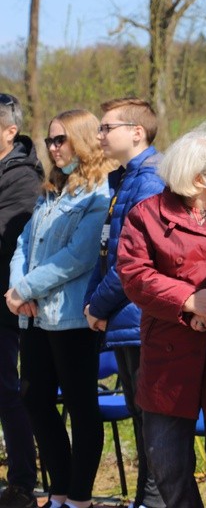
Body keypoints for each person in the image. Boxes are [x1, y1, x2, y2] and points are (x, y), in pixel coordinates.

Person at [116, 122, 206, 508]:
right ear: (198, 180)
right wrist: (187, 300)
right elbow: (134, 274)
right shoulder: (147, 215)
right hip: (168, 354)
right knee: (166, 463)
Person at [6, 109, 113, 508]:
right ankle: (60, 491)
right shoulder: (52, 188)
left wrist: (26, 288)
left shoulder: (98, 191)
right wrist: (20, 289)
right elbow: (23, 243)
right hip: (34, 315)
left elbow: (79, 256)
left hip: (71, 318)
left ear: (83, 140)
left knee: (82, 407)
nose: (53, 148)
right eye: (50, 140)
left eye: (61, 140)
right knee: (33, 399)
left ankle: (79, 498)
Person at [83, 97, 165, 508]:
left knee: (152, 422)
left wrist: (97, 307)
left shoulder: (150, 181)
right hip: (125, 316)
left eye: (106, 127)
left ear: (137, 132)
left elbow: (132, 261)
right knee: (142, 417)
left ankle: (155, 500)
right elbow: (106, 250)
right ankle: (145, 499)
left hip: (140, 317)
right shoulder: (127, 178)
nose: (99, 135)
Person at [0, 93, 43, 508]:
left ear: (10, 131)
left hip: (5, 305)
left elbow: (8, 239)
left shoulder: (22, 177)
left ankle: (21, 483)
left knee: (5, 391)